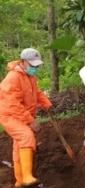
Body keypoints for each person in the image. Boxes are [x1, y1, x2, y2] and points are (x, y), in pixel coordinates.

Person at [0, 48, 52, 187]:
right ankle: (27, 177)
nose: (35, 68)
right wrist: (30, 121)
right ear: (23, 62)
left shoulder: (30, 76)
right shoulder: (12, 78)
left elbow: (36, 92)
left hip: (19, 114)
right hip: (9, 114)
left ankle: (19, 181)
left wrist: (45, 102)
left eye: (37, 66)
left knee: (19, 145)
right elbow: (13, 104)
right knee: (26, 136)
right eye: (32, 65)